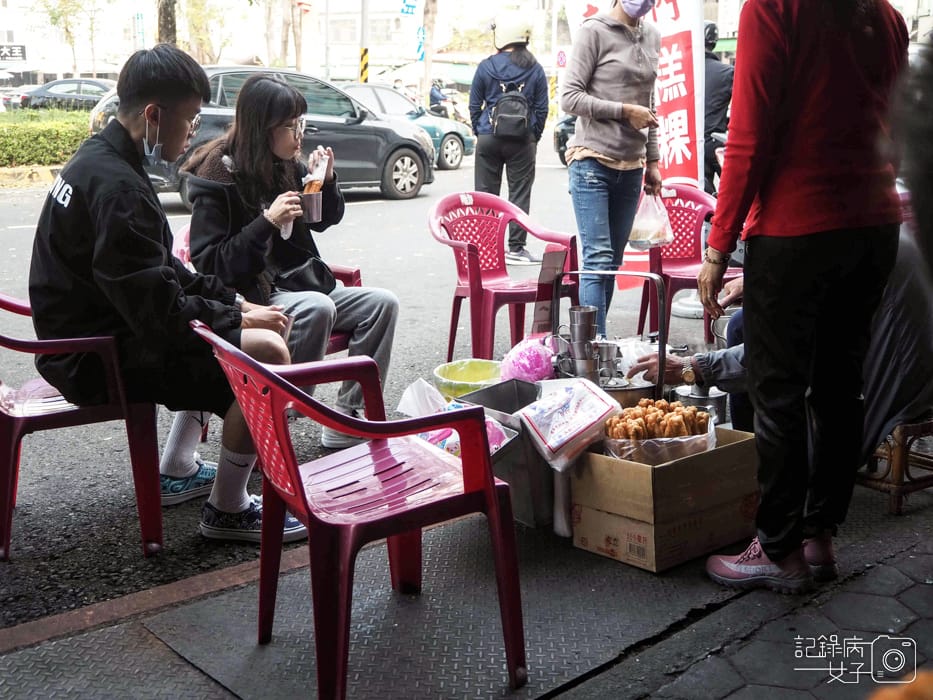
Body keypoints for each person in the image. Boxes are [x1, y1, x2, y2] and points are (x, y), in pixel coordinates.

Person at [28, 44, 307, 544]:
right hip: (94, 356)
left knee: (240, 333)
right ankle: (228, 508)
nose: (193, 131)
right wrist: (238, 323)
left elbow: (161, 271)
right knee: (265, 355)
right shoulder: (119, 188)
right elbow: (159, 312)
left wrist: (237, 304)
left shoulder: (100, 157)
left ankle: (180, 467)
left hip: (90, 331)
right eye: (190, 119)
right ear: (154, 116)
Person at [696, 0, 908, 593]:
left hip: (797, 228)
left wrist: (718, 246)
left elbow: (748, 134)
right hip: (873, 227)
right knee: (840, 388)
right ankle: (818, 540)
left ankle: (779, 549)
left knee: (778, 392)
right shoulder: (886, 15)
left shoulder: (773, 7)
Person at [181, 73, 399, 450]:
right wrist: (266, 223)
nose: (300, 134)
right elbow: (212, 264)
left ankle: (347, 417)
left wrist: (325, 181)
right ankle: (287, 410)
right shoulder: (217, 175)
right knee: (316, 307)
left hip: (298, 282)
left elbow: (321, 220)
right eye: (290, 125)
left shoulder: (287, 164)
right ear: (261, 128)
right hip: (252, 296)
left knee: (382, 304)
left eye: (301, 123)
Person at [629, 226, 933, 480]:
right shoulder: (855, 224)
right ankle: (753, 456)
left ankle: (781, 488)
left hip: (890, 379)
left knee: (775, 369)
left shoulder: (835, 241)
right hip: (880, 351)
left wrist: (692, 366)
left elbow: (783, 351)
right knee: (739, 324)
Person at [560, 0, 662, 337]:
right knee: (598, 261)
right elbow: (569, 98)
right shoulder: (594, 31)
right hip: (591, 160)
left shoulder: (652, 35)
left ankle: (593, 347)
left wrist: (653, 160)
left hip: (632, 168)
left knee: (612, 264)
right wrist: (622, 111)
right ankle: (594, 348)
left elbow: (649, 106)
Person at [469, 12, 549, 266]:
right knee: (519, 194)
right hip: (522, 141)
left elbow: (474, 105)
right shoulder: (535, 69)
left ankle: (484, 248)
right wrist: (533, 136)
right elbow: (542, 108)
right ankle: (516, 248)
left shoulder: (486, 66)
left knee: (485, 194)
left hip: (488, 138)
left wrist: (481, 130)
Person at [703, 21, 733, 195]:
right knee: (732, 193)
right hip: (716, 144)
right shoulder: (727, 72)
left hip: (688, 147)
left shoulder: (683, 73)